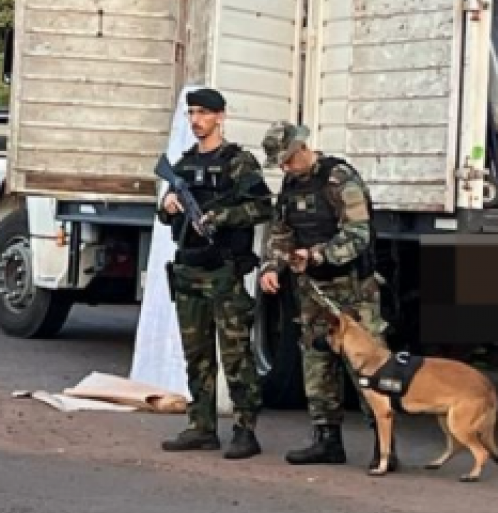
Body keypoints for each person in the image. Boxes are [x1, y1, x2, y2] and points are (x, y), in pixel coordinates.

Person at [257, 121, 384, 467]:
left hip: (353, 289)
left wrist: (318, 254)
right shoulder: (290, 186)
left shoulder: (340, 180)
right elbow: (281, 233)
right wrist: (272, 266)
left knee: (368, 365)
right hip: (313, 290)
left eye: (287, 160)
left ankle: (384, 444)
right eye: (280, 164)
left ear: (302, 148)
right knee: (317, 361)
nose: (285, 168)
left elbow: (358, 235)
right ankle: (326, 438)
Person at [158, 87, 275, 459]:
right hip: (188, 271)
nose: (196, 120)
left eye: (204, 113)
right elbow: (164, 214)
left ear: (220, 117)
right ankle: (201, 426)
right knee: (197, 356)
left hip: (223, 271)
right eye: (192, 113)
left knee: (236, 356)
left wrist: (221, 217)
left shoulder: (238, 162)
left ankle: (245, 429)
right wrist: (170, 204)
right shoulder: (186, 162)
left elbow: (261, 208)